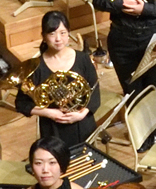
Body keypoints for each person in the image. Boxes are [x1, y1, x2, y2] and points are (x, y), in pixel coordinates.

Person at [14, 10, 100, 146]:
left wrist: (81, 114)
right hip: (52, 129)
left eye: (63, 33)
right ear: (43, 36)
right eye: (52, 33)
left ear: (69, 33)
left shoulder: (83, 59)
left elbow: (94, 91)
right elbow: (21, 104)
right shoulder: (35, 67)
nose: (58, 39)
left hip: (83, 125)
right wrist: (49, 113)